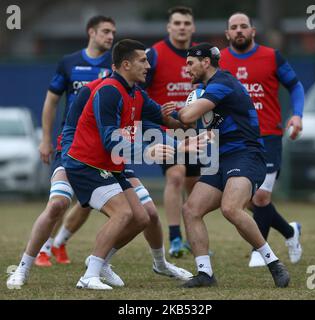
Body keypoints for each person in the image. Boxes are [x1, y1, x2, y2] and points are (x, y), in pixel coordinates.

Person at [6, 39, 197, 290]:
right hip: (81, 160)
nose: (148, 65)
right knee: (60, 205)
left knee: (144, 216)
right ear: (124, 65)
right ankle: (25, 268)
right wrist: (153, 149)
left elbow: (162, 117)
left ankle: (117, 263)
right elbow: (98, 137)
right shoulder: (102, 90)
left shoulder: (135, 93)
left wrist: (192, 120)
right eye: (143, 60)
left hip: (112, 162)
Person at [177, 43, 290, 288]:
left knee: (231, 208)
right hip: (220, 160)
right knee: (191, 209)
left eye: (190, 63)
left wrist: (179, 112)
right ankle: (205, 274)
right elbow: (190, 123)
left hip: (246, 155)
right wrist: (174, 114)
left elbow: (186, 117)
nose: (187, 69)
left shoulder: (222, 83)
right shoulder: (205, 90)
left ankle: (273, 262)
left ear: (206, 62)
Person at [219, 12, 303, 267]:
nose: (239, 31)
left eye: (244, 26)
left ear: (253, 31)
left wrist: (297, 115)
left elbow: (295, 86)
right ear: (227, 34)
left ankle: (260, 250)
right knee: (245, 199)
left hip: (269, 136)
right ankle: (290, 232)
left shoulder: (271, 56)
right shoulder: (220, 60)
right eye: (234, 27)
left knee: (261, 198)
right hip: (235, 139)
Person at [35, 15, 116, 267]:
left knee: (90, 200)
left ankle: (60, 242)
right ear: (91, 32)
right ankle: (43, 248)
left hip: (103, 141)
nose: (110, 36)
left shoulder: (116, 63)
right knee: (61, 197)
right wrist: (46, 139)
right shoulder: (69, 62)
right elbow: (51, 101)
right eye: (105, 31)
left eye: (113, 32)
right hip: (72, 140)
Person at [143, 6, 201, 257]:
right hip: (164, 130)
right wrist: (156, 116)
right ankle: (175, 238)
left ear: (193, 27)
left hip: (193, 130)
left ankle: (194, 239)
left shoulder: (201, 55)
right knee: (176, 176)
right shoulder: (154, 54)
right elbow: (138, 89)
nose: (181, 27)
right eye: (176, 23)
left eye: (186, 23)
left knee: (195, 185)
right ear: (169, 27)